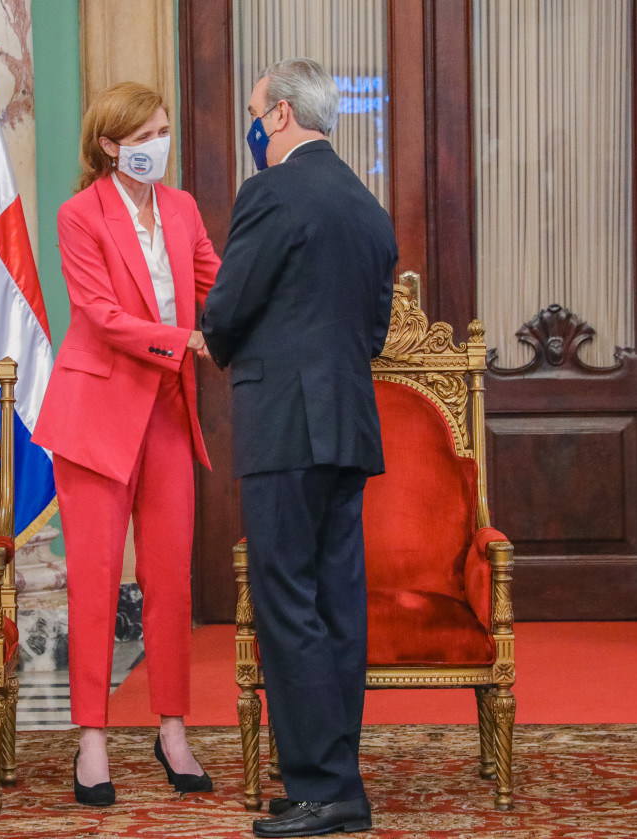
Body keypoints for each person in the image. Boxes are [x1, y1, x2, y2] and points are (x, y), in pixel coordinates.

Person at [201, 58, 397, 838]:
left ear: (280, 115)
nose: (253, 126)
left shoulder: (272, 191)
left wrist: (219, 337)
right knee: (336, 605)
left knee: (286, 604)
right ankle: (334, 778)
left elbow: (226, 307)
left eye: (255, 113)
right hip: (348, 427)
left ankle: (325, 789)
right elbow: (373, 332)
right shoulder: (366, 204)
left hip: (286, 424)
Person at [33, 81, 220, 807]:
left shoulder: (183, 208)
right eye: (143, 138)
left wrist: (268, 309)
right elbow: (101, 315)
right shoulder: (79, 214)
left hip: (168, 410)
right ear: (110, 146)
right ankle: (92, 739)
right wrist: (186, 340)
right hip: (97, 415)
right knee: (96, 578)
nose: (157, 147)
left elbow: (217, 284)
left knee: (171, 578)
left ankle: (172, 730)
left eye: (162, 132)